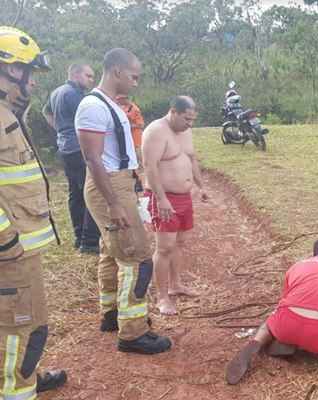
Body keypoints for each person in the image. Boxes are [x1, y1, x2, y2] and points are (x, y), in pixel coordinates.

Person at [75, 48, 171, 354]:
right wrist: (114, 202)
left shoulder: (110, 105)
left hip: (118, 182)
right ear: (117, 71)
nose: (135, 83)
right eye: (134, 76)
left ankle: (112, 314)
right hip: (110, 186)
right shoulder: (93, 106)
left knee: (111, 250)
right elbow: (93, 158)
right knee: (138, 258)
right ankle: (133, 332)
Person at [0, 26, 67, 398]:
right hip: (10, 252)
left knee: (25, 324)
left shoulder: (8, 113)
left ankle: (25, 378)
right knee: (20, 328)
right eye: (30, 72)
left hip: (19, 249)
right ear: (10, 69)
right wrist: (6, 241)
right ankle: (16, 390)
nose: (35, 83)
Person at [226, 238, 318, 385]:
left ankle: (257, 341)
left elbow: (285, 300)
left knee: (276, 315)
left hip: (285, 325)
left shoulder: (296, 266)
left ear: (314, 254)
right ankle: (302, 345)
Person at [142, 96, 205, 315]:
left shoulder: (185, 131)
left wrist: (201, 185)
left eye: (193, 119)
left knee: (180, 242)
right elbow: (149, 166)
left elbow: (192, 158)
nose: (190, 124)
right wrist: (161, 199)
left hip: (184, 197)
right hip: (164, 197)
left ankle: (175, 285)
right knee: (165, 247)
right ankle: (162, 297)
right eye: (187, 119)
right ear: (173, 111)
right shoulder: (155, 131)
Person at [43, 63, 100, 253]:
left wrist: (60, 130)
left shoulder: (57, 92)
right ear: (76, 74)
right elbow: (88, 120)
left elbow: (46, 112)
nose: (91, 81)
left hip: (65, 149)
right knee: (90, 192)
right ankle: (90, 242)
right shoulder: (74, 95)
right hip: (79, 149)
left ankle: (78, 237)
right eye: (88, 76)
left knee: (75, 193)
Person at [115, 95, 145, 193]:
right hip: (127, 141)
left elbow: (141, 124)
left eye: (120, 100)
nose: (118, 101)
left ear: (125, 99)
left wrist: (128, 125)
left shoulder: (135, 109)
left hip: (135, 140)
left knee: (138, 163)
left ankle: (140, 184)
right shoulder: (121, 108)